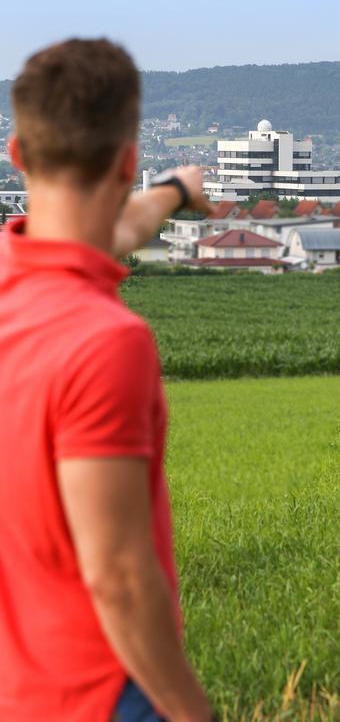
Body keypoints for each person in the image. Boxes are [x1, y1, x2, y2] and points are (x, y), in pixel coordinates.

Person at [0, 38, 214, 722]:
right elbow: (118, 578)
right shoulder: (107, 342)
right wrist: (192, 713)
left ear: (17, 154)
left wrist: (175, 192)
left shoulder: (15, 278)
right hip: (99, 694)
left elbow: (112, 231)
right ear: (125, 160)